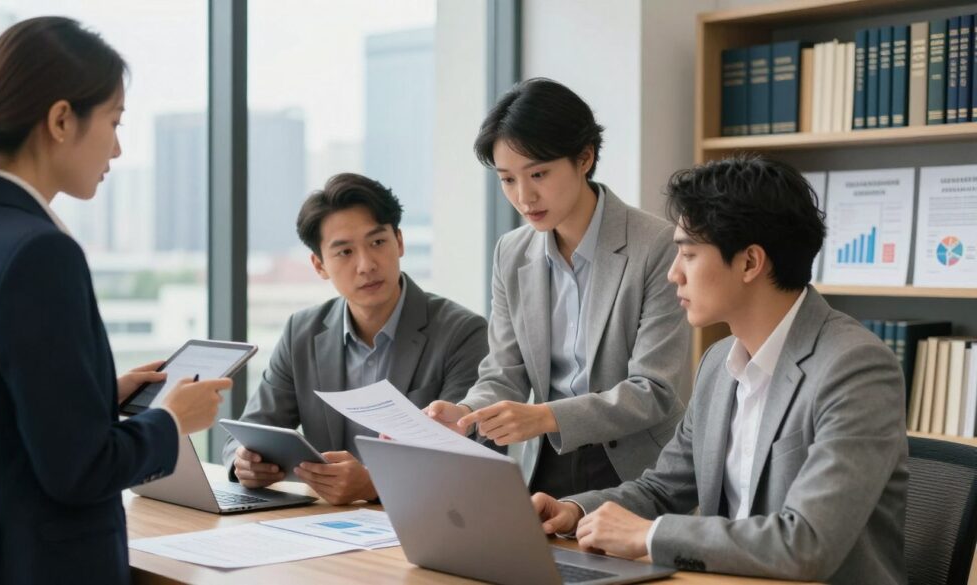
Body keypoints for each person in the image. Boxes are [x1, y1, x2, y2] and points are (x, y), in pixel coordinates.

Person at [531, 155, 908, 584]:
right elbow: (662, 489)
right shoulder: (718, 364)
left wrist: (650, 536)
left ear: (750, 263)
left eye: (688, 255)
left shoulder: (855, 368)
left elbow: (808, 543)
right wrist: (574, 511)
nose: (674, 274)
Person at [0, 16, 232, 585]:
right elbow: (77, 472)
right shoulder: (40, 253)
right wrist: (170, 421)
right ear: (61, 120)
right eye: (114, 120)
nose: (119, 146)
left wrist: (99, 395)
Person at [426, 78, 690, 497]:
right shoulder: (511, 253)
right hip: (543, 463)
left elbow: (654, 391)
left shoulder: (656, 245)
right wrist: (466, 413)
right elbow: (504, 373)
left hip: (638, 469)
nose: (524, 196)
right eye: (507, 180)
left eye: (539, 174)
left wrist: (545, 416)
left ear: (584, 159)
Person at [221, 173, 488, 504]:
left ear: (399, 242)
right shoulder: (301, 332)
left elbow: (473, 459)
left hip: (430, 522)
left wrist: (377, 483)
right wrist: (245, 462)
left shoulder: (462, 332)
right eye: (345, 252)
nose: (366, 265)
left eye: (377, 242)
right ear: (319, 265)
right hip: (327, 526)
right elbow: (250, 432)